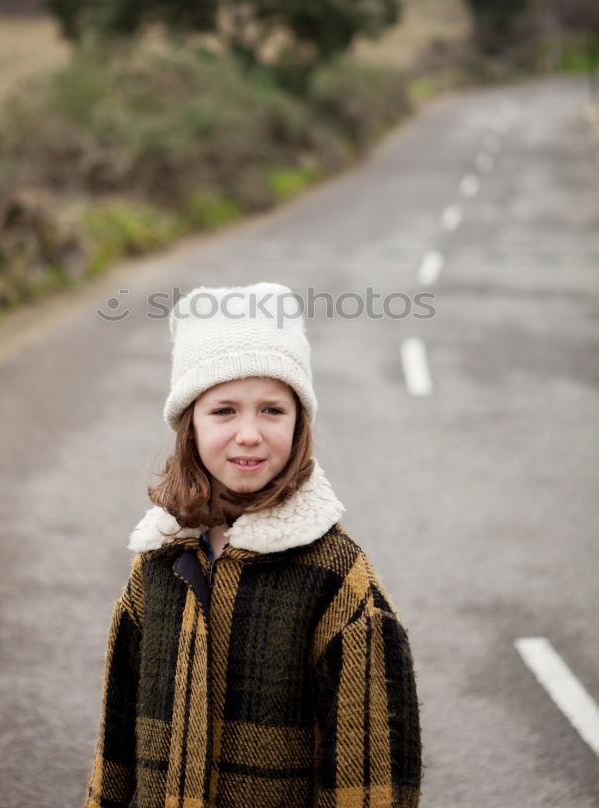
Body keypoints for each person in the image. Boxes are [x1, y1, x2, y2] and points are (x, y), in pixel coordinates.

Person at [83, 281, 422, 808]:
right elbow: (116, 748)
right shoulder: (159, 561)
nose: (248, 434)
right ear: (189, 425)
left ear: (299, 423)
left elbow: (375, 782)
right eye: (223, 411)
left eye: (271, 410)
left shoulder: (336, 580)